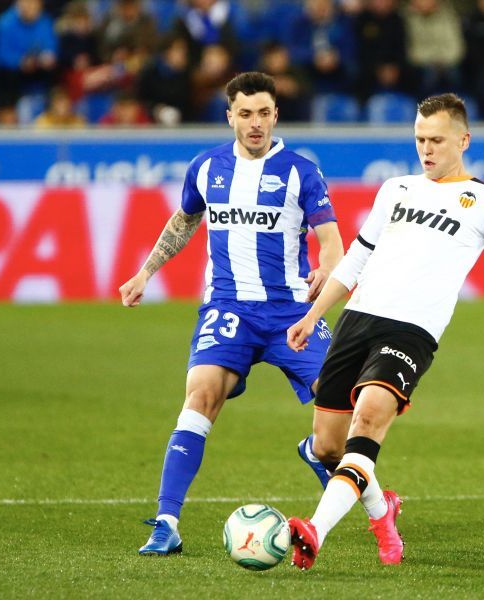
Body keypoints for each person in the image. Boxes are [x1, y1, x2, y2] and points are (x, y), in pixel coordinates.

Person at [285, 93, 484, 570]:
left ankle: (314, 530)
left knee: (369, 421)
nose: (426, 149)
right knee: (330, 447)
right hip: (357, 320)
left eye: (436, 140)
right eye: (419, 139)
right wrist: (314, 315)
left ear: (464, 139)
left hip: (412, 333)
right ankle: (383, 511)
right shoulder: (395, 189)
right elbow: (357, 257)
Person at [118, 72, 345, 556]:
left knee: (339, 417)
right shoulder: (206, 167)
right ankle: (166, 522)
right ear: (230, 117)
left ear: (276, 115)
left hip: (291, 312)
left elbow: (331, 241)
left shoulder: (301, 172)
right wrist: (145, 272)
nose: (255, 123)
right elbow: (185, 219)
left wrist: (327, 270)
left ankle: (331, 465)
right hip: (228, 309)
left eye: (264, 113)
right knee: (199, 396)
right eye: (246, 114)